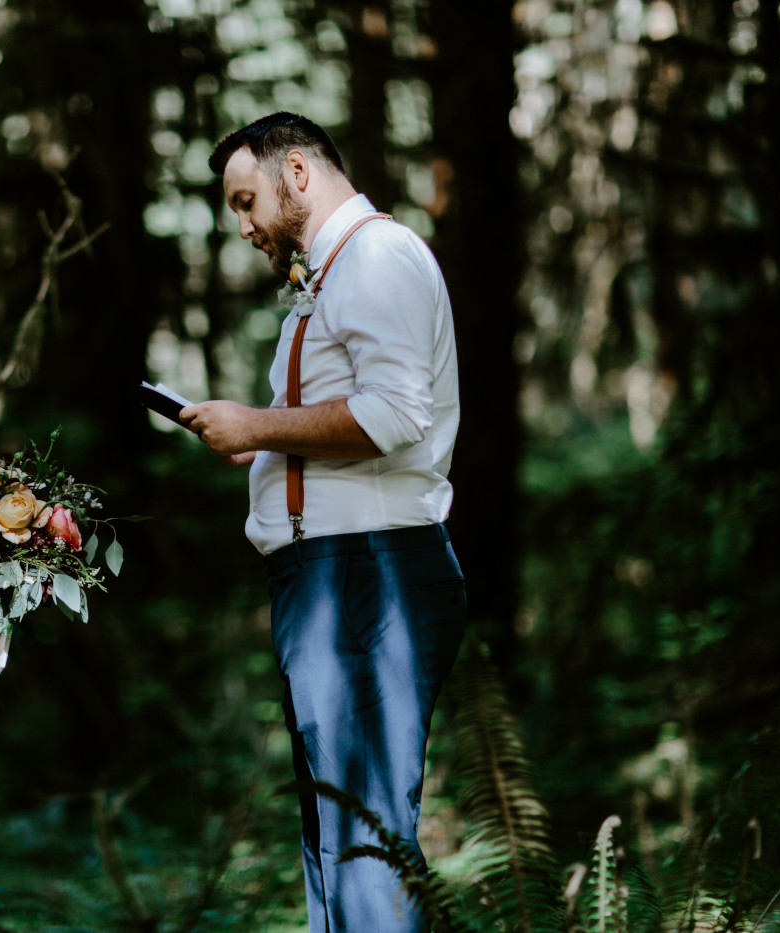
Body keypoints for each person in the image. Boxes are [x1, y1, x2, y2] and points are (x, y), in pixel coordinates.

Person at [179, 113, 467, 932]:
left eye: (247, 201)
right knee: (336, 839)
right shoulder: (330, 276)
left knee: (366, 840)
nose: (243, 227)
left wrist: (258, 426)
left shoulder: (375, 256)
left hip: (368, 577)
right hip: (332, 582)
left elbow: (395, 414)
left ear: (296, 173)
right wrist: (260, 445)